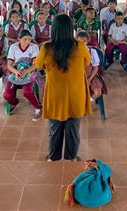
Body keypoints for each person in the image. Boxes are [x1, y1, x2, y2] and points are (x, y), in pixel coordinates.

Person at [35, 14, 91, 161]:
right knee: (73, 130)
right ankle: (71, 157)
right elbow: (87, 62)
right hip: (76, 94)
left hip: (55, 94)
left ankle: (53, 158)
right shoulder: (80, 46)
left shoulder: (46, 48)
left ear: (54, 29)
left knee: (54, 129)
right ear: (71, 29)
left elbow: (39, 65)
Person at [3, 29, 42, 120]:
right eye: (25, 39)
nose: (28, 41)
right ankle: (14, 102)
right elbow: (9, 65)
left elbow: (35, 64)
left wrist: (26, 71)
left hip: (29, 72)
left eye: (29, 39)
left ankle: (38, 107)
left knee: (27, 92)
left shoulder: (34, 47)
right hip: (16, 72)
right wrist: (16, 72)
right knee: (7, 95)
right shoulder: (13, 47)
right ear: (19, 39)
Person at [77, 31, 107, 100]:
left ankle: (89, 103)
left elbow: (96, 68)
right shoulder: (73, 52)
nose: (82, 43)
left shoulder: (92, 51)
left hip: (91, 76)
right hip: (78, 77)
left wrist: (89, 79)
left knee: (97, 92)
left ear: (87, 41)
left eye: (84, 41)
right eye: (79, 41)